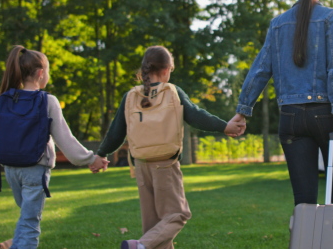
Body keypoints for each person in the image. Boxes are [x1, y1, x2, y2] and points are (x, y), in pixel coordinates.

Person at [230, 0, 333, 206]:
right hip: (326, 114)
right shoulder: (332, 18)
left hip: (290, 118)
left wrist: (242, 112)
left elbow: (260, 70)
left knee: (304, 199)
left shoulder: (277, 25)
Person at [96, 45, 245, 249]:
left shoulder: (130, 96)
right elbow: (195, 115)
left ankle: (142, 245)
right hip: (164, 165)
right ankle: (138, 246)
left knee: (155, 228)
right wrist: (224, 126)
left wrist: (101, 154)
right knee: (178, 214)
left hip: (141, 166)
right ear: (166, 70)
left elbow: (116, 133)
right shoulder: (172, 92)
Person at [0, 46, 109, 249]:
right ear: (40, 73)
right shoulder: (47, 101)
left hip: (10, 170)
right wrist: (91, 159)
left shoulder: (4, 100)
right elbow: (66, 140)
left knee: (26, 216)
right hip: (35, 170)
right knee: (29, 222)